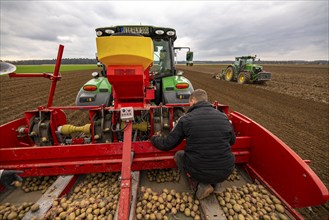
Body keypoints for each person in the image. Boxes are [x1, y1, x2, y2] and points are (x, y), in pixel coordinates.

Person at [151, 89, 236, 200]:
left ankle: (199, 185)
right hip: (226, 170)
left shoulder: (186, 119)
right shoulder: (223, 117)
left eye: (189, 102)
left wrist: (154, 139)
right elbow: (232, 141)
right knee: (219, 157)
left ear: (193, 100)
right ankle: (217, 184)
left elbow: (167, 144)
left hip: (199, 170)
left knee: (179, 155)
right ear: (206, 100)